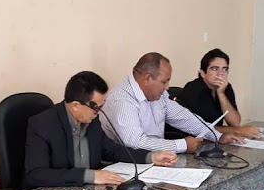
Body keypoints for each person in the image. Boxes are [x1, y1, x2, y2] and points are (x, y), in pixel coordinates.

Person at [24, 71, 177, 188]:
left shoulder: (92, 119)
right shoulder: (43, 124)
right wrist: (90, 176)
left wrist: (150, 157)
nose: (100, 112)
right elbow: (36, 174)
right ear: (76, 105)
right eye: (96, 107)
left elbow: (112, 150)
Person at [101, 52, 243, 153]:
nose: (167, 87)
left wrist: (217, 136)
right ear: (148, 78)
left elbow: (184, 118)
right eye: (164, 81)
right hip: (126, 166)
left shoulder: (158, 95)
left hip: (156, 160)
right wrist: (181, 145)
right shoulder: (122, 100)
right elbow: (135, 143)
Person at [175, 49, 261, 138]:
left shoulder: (225, 87)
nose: (220, 74)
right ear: (203, 73)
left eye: (224, 69)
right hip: (190, 139)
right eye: (215, 69)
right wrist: (238, 131)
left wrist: (221, 94)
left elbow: (235, 122)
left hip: (215, 138)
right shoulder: (193, 89)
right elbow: (199, 128)